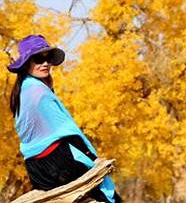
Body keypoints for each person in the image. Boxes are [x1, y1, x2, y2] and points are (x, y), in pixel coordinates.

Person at [7, 34, 122, 202]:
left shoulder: (22, 90)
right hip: (58, 161)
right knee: (109, 197)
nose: (45, 63)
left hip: (36, 170)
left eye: (48, 59)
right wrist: (93, 158)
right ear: (26, 64)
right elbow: (66, 132)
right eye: (38, 58)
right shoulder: (38, 92)